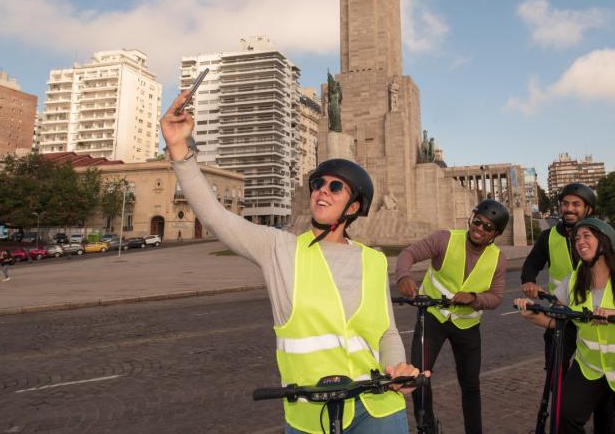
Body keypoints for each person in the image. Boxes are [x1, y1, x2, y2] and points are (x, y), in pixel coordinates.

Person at [161, 91, 421, 434]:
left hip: (377, 407)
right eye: (318, 184)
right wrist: (180, 150)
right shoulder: (278, 249)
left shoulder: (373, 261)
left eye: (335, 187)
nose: (321, 191)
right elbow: (215, 217)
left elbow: (386, 331)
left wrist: (397, 369)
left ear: (354, 207)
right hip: (310, 415)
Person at [395, 199, 509, 434]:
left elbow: (496, 297)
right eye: (477, 221)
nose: (479, 228)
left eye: (488, 227)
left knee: (470, 385)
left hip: (467, 326)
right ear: (471, 218)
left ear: (495, 234)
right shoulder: (445, 239)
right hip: (433, 318)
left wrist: (475, 298)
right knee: (419, 377)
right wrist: (404, 276)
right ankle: (426, 428)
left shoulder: (498, 259)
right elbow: (409, 253)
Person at [521, 183, 615, 434]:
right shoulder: (549, 236)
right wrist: (529, 281)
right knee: (556, 377)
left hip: (596, 316)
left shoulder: (600, 235)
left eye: (576, 204)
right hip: (562, 316)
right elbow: (532, 263)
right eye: (565, 204)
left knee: (601, 380)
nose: (569, 209)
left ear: (588, 209)